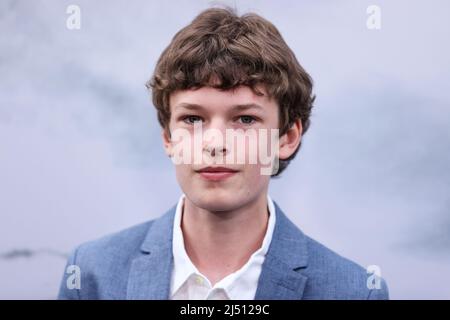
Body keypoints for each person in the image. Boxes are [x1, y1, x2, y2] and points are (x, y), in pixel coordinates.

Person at [58, 7, 389, 300]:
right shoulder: (91, 275)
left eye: (245, 119)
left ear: (286, 137)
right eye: (193, 119)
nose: (215, 143)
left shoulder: (355, 291)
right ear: (168, 138)